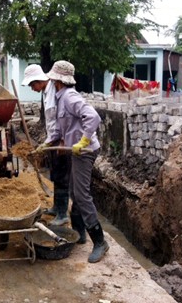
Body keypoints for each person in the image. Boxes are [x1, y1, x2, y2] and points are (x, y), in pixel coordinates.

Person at [37, 60, 109, 263]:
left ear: (57, 80)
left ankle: (100, 241)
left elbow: (92, 117)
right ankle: (81, 233)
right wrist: (46, 143)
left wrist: (84, 139)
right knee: (75, 192)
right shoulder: (60, 99)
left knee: (81, 194)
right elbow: (60, 130)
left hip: (85, 151)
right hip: (76, 151)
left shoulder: (69, 97)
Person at [21, 64, 71, 226]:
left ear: (38, 80)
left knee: (62, 176)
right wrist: (47, 142)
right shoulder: (46, 92)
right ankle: (57, 207)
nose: (32, 88)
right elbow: (51, 121)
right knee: (55, 174)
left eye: (32, 85)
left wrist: (63, 140)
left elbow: (65, 118)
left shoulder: (57, 90)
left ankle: (63, 214)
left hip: (63, 141)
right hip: (54, 139)